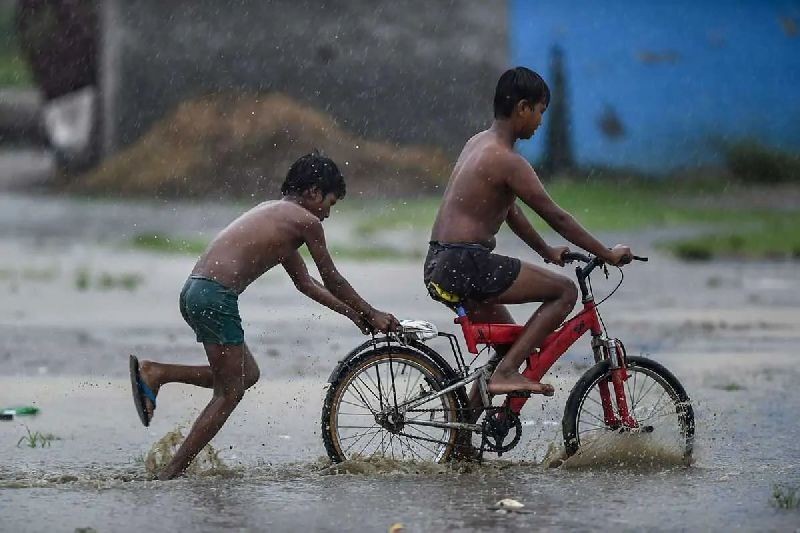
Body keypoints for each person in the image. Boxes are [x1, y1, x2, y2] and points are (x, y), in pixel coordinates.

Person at [130, 151, 399, 480]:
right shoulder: (306, 222)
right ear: (313, 193)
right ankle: (170, 473)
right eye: (330, 203)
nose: (328, 214)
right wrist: (372, 311)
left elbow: (306, 283)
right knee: (230, 392)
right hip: (215, 296)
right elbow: (333, 279)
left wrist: (355, 316)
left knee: (245, 374)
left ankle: (158, 372)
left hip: (195, 291)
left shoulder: (275, 214)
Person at [423, 66, 634, 427]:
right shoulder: (509, 161)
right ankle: (505, 372)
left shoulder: (477, 143)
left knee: (510, 346)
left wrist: (546, 252)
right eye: (539, 111)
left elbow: (510, 211)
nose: (539, 121)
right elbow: (558, 216)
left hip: (440, 262)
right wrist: (606, 253)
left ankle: (463, 439)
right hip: (466, 262)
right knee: (565, 292)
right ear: (522, 108)